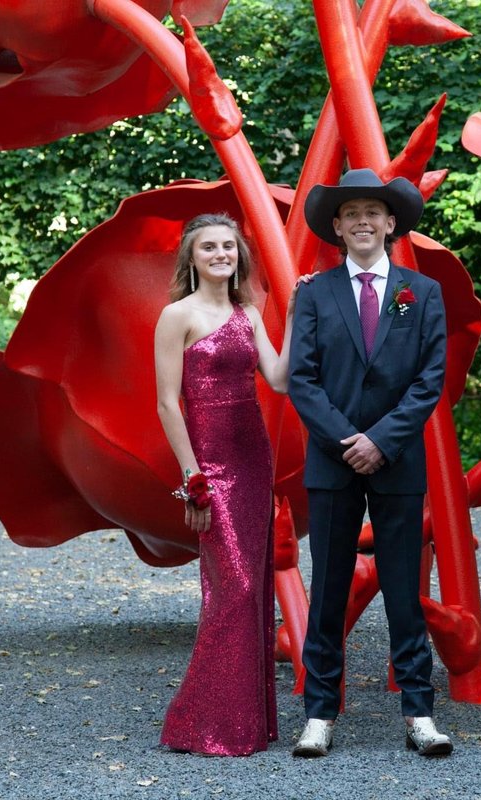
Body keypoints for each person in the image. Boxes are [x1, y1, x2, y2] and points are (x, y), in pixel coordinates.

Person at [287, 169, 453, 757]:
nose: (362, 221)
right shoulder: (313, 292)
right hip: (332, 466)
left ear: (391, 223)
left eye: (372, 212)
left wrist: (380, 440)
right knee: (329, 590)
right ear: (336, 226)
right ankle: (319, 714)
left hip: (398, 462)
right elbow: (301, 380)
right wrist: (346, 441)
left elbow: (429, 379)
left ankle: (419, 713)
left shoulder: (421, 293)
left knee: (405, 590)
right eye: (350, 212)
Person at [153, 213, 302, 756]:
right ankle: (201, 723)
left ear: (239, 255)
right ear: (191, 259)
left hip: (253, 460)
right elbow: (169, 403)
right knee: (231, 588)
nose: (221, 254)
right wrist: (192, 479)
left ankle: (239, 725)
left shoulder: (248, 313)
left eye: (228, 246)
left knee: (253, 587)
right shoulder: (176, 316)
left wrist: (302, 315)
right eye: (209, 247)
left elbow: (280, 379)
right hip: (210, 465)